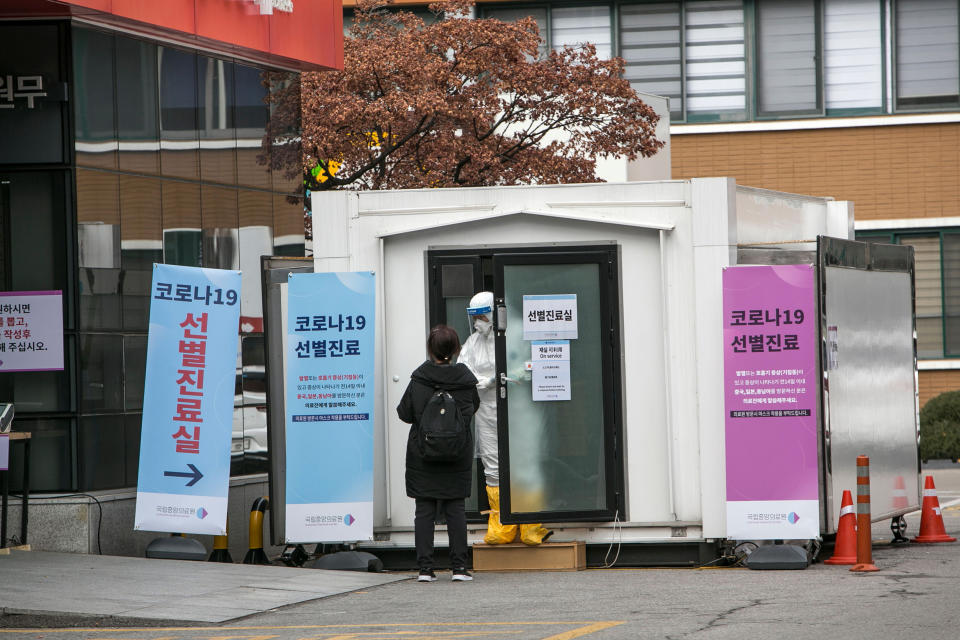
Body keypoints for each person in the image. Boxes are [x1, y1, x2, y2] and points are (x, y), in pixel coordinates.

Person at [458, 291, 551, 546]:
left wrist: (511, 375)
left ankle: (530, 525)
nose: (479, 322)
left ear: (495, 313)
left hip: (519, 410)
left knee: (525, 464)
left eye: (482, 316)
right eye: (474, 318)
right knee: (493, 467)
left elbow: (535, 363)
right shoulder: (473, 342)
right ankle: (502, 527)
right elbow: (462, 371)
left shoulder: (519, 333)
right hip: (486, 412)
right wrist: (482, 382)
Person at [397, 324, 480, 582]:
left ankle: (425, 569)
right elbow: (471, 409)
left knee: (424, 509)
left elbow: (404, 413)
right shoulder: (465, 381)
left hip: (423, 453)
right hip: (457, 454)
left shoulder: (420, 379)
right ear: (455, 349)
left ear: (430, 349)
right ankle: (459, 568)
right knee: (455, 508)